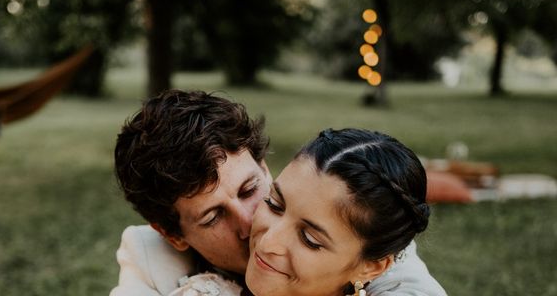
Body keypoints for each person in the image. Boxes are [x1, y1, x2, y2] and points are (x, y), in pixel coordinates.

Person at [111, 90, 446, 296]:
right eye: (213, 217)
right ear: (172, 234)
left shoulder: (363, 236)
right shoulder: (149, 257)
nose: (253, 225)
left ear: (265, 167)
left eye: (252, 191)